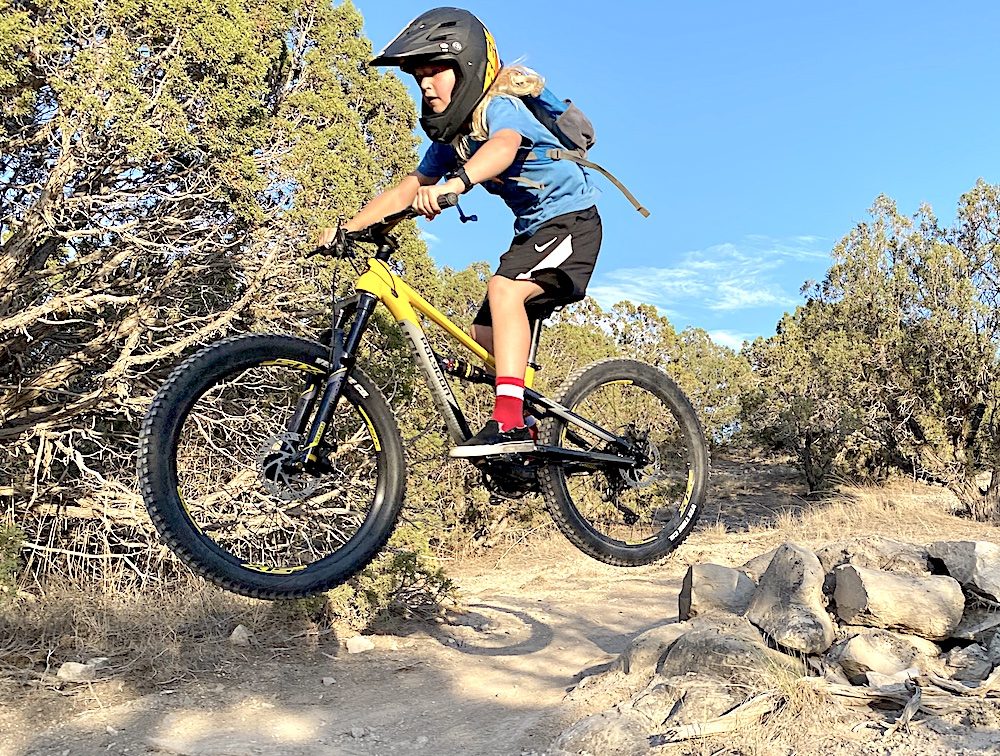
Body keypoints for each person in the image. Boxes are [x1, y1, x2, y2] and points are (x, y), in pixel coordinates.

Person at [318, 7, 603, 457]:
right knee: (483, 333)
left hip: (572, 222)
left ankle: (509, 423)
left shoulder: (499, 109)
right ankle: (525, 413)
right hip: (532, 232)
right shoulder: (450, 139)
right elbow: (408, 187)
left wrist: (459, 182)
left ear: (466, 68)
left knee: (504, 290)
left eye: (436, 72)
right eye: (419, 77)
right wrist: (348, 227)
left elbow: (504, 147)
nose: (426, 84)